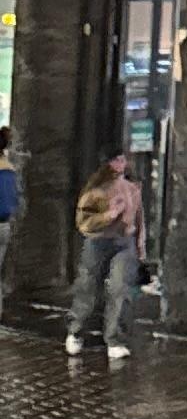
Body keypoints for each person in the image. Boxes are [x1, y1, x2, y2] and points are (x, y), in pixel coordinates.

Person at [66, 154, 142, 361]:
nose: (121, 164)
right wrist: (109, 214)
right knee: (88, 286)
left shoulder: (132, 189)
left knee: (121, 288)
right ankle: (76, 330)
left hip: (124, 242)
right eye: (117, 160)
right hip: (98, 240)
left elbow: (138, 219)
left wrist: (140, 246)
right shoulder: (95, 189)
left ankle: (115, 339)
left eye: (123, 160)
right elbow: (84, 221)